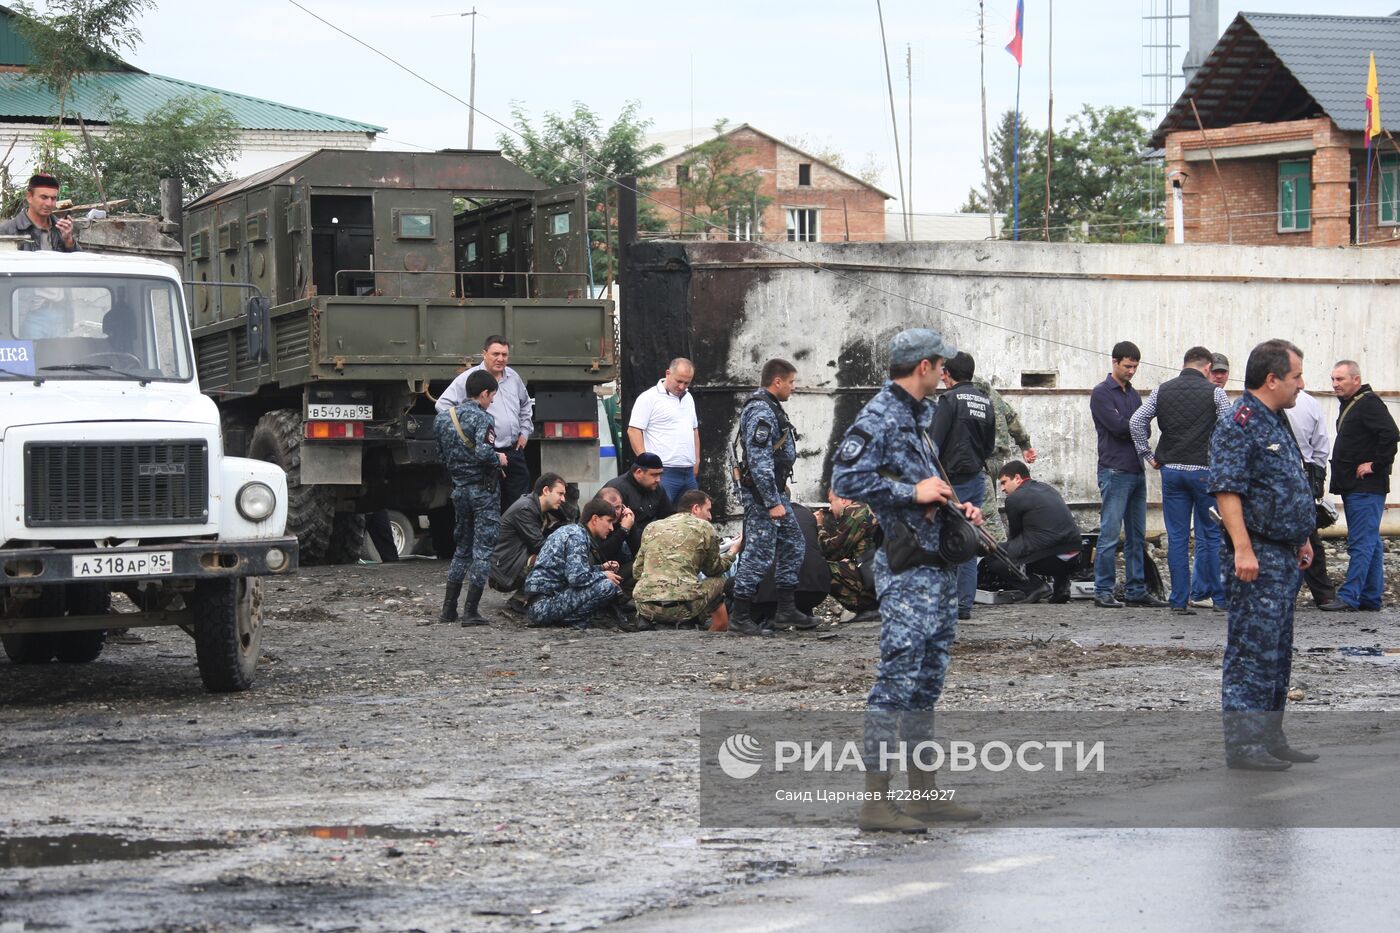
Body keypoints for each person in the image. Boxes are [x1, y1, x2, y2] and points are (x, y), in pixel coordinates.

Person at [833, 327, 983, 833]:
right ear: (924, 366)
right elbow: (844, 481)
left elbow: (920, 487)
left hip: (934, 566)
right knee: (894, 684)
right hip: (905, 569)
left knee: (926, 683)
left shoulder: (917, 416)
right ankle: (876, 801)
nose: (945, 372)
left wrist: (950, 505)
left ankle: (922, 794)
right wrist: (912, 491)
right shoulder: (880, 415)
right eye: (940, 365)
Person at [1209, 339, 1318, 770]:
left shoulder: (1276, 420)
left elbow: (1287, 481)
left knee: (1277, 651)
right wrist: (1243, 549)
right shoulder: (1239, 422)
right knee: (1251, 653)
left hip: (1284, 552)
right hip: (1257, 554)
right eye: (1295, 377)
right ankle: (1244, 745)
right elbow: (1227, 490)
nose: (1301, 385)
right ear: (1271, 379)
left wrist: (1303, 537)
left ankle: (1271, 736)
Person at [1129, 346, 1232, 615]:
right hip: (1205, 473)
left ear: (1184, 364)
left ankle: (1178, 601)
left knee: (1176, 538)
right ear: (1208, 367)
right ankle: (1219, 599)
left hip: (1171, 471)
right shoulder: (1216, 393)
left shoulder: (1162, 390)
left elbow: (1136, 421)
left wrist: (1147, 454)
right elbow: (1230, 429)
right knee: (1209, 535)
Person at [730, 358, 807, 635]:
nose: (793, 388)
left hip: (774, 492)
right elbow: (760, 460)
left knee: (794, 544)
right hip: (763, 496)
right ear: (777, 382)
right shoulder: (762, 410)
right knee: (759, 554)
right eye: (791, 382)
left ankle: (786, 610)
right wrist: (772, 502)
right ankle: (740, 617)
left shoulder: (771, 407)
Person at [1090, 341, 1165, 609]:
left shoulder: (1132, 395)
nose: (1132, 371)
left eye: (1135, 366)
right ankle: (1102, 590)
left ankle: (1136, 589)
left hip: (1135, 469)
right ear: (1115, 362)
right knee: (1110, 534)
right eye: (1127, 366)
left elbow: (1141, 428)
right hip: (1115, 470)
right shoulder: (1101, 393)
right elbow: (1119, 427)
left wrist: (1134, 427)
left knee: (1137, 535)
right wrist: (1135, 427)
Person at [433, 369, 506, 626]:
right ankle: (471, 611)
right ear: (484, 394)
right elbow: (484, 453)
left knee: (461, 549)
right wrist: (499, 458)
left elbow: (441, 457)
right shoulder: (482, 419)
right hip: (483, 492)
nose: (492, 401)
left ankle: (448, 610)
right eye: (492, 396)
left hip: (459, 489)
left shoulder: (443, 420)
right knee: (483, 551)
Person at [1326, 360, 1398, 612]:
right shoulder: (1355, 404)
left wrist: (1376, 465)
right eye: (1333, 379)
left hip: (1365, 487)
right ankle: (1370, 596)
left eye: (1340, 379)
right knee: (1371, 542)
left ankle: (1350, 595)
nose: (1335, 384)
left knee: (1362, 542)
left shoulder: (1368, 403)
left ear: (1356, 380)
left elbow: (1391, 434)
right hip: (1355, 486)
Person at [929, 352, 996, 621]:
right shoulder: (986, 402)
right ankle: (963, 605)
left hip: (949, 482)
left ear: (948, 374)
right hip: (975, 479)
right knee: (968, 540)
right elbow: (990, 446)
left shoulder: (949, 400)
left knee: (941, 541)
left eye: (943, 373)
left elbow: (933, 445)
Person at [436, 335, 532, 509]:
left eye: (504, 355)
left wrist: (525, 431)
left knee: (519, 507)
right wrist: (465, 432)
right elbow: (443, 405)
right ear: (484, 354)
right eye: (496, 354)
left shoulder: (513, 377)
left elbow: (525, 405)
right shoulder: (470, 378)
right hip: (487, 455)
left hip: (513, 452)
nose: (500, 359)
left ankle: (512, 537)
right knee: (490, 509)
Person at [632, 489, 741, 629]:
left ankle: (644, 618)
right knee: (720, 581)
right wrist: (733, 552)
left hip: (646, 606)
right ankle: (697, 620)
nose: (710, 516)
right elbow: (713, 570)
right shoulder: (704, 527)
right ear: (695, 508)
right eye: (708, 510)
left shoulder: (652, 527)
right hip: (682, 608)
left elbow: (637, 571)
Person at [984, 461, 1082, 604]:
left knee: (995, 555)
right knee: (1055, 541)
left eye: (1004, 482)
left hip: (1051, 559)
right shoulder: (1049, 489)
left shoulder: (1014, 499)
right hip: (1075, 558)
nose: (1002, 489)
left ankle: (1036, 587)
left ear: (1017, 478)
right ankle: (1062, 588)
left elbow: (1015, 537)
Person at [524, 497, 625, 629]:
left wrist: (601, 568)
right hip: (543, 606)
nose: (611, 528)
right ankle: (569, 621)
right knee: (607, 586)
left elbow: (572, 571)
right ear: (595, 519)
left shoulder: (574, 531)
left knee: (604, 582)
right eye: (609, 521)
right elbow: (576, 578)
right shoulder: (577, 536)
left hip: (541, 603)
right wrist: (604, 575)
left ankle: (567, 620)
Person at [1285, 389, 1342, 609]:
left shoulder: (1251, 405)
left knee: (1301, 537)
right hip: (1304, 474)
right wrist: (1317, 480)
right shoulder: (1309, 403)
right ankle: (1323, 594)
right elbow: (1321, 446)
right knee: (1308, 535)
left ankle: (1293, 593)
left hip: (1280, 480)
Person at [490, 472, 568, 609]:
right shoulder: (525, 509)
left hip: (511, 563)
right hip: (504, 570)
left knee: (555, 557)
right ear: (545, 490)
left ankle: (528, 597)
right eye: (560, 494)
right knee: (551, 559)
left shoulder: (538, 508)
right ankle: (521, 599)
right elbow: (540, 546)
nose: (563, 499)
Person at [628, 358, 701, 502]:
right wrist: (647, 465)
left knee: (690, 519)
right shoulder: (649, 398)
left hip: (688, 471)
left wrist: (696, 461)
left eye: (687, 383)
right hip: (663, 471)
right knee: (662, 519)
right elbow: (634, 431)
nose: (682, 387)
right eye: (679, 381)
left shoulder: (688, 398)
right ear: (668, 373)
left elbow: (694, 430)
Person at [974, 374, 1036, 542]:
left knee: (988, 513)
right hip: (997, 459)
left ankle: (1004, 557)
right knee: (987, 507)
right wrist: (1025, 445)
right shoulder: (994, 395)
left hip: (982, 461)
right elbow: (1011, 418)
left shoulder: (967, 397)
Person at [817, 490, 881, 620]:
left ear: (843, 499)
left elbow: (832, 551)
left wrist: (819, 527)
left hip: (876, 576)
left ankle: (868, 607)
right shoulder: (868, 507)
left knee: (822, 568)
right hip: (882, 573)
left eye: (831, 501)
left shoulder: (854, 512)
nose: (830, 507)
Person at [602, 452, 673, 556]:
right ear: (639, 472)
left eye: (660, 474)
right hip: (622, 544)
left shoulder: (657, 489)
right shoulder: (617, 489)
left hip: (649, 541)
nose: (658, 480)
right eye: (654, 475)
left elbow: (668, 516)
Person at [0, 173, 78, 252]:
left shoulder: (61, 228)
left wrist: (69, 241)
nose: (49, 204)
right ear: (29, 197)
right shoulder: (7, 230)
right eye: (44, 197)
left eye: (53, 198)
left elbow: (80, 261)